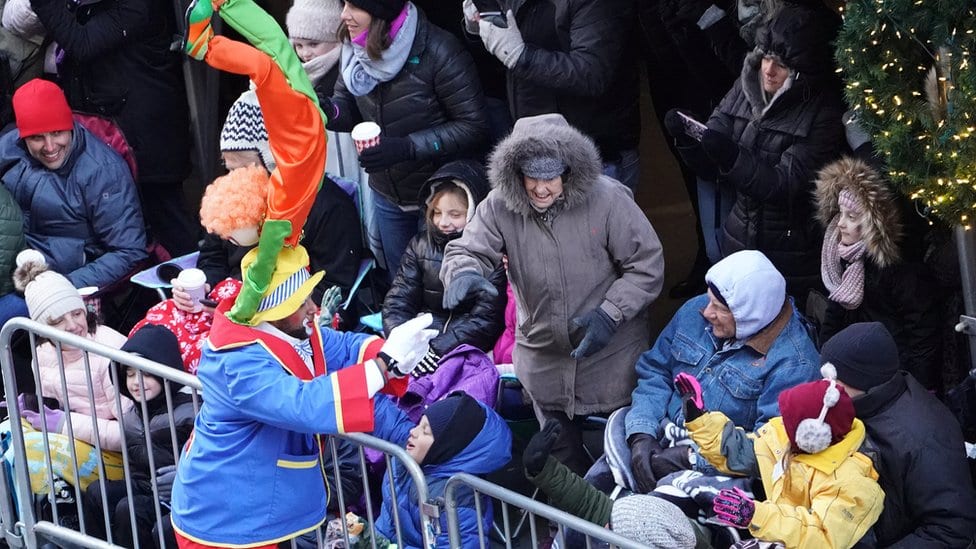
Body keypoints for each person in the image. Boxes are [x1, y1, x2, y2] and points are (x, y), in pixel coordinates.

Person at [440, 113, 665, 476]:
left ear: (569, 171)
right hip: (544, 360)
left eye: (551, 176)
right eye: (532, 176)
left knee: (617, 467)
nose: (542, 188)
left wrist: (610, 313)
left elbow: (647, 264)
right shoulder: (499, 205)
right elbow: (467, 250)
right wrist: (463, 272)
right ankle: (566, 534)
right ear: (516, 173)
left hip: (611, 359)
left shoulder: (609, 199)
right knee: (561, 465)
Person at [663, 2, 846, 301]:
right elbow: (712, 152)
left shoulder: (825, 113)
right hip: (740, 244)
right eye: (765, 57)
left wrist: (732, 158)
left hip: (793, 256)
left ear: (807, 70)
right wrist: (687, 139)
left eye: (782, 65)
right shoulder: (748, 82)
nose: (768, 71)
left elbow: (785, 184)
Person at [617, 250, 818, 494]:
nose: (707, 311)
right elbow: (656, 370)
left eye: (720, 308)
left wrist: (689, 459)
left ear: (750, 314)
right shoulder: (697, 309)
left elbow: (770, 449)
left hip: (719, 472)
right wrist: (641, 432)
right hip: (659, 431)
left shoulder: (795, 365)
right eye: (709, 299)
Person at [320, 0, 489, 281]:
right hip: (388, 196)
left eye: (354, 6)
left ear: (380, 12)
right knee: (401, 286)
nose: (343, 14)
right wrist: (329, 111)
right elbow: (346, 105)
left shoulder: (439, 51)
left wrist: (407, 147)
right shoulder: (354, 49)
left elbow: (474, 125)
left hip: (439, 199)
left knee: (441, 290)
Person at [29, 0, 196, 256]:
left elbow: (81, 43)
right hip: (118, 136)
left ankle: (204, 285)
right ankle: (150, 292)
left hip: (147, 141)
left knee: (169, 224)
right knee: (131, 234)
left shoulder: (139, 6)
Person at [680, 366, 885, 548]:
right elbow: (740, 452)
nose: (783, 424)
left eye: (790, 422)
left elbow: (823, 538)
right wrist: (699, 419)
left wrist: (757, 515)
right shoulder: (789, 439)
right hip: (776, 529)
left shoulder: (852, 483)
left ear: (812, 435)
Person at [462, 0, 643, 191]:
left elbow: (591, 73)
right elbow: (511, 43)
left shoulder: (599, 4)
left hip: (592, 156)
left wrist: (520, 56)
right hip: (535, 146)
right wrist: (482, 27)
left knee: (595, 220)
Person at [823, 322, 976, 548]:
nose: (824, 386)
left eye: (832, 378)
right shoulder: (860, 403)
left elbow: (951, 528)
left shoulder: (922, 438)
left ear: (861, 379)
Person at [0, 79, 147, 292]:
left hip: (61, 275)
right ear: (23, 137)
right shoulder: (10, 147)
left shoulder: (101, 172)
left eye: (57, 133)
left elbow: (130, 251)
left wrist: (64, 286)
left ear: (69, 125)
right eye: (37, 138)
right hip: (9, 258)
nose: (50, 147)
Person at [8, 249, 132, 494]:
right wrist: (34, 409)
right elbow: (52, 412)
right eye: (58, 321)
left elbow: (134, 433)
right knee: (7, 434)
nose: (74, 326)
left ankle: (62, 520)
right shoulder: (42, 354)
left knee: (34, 449)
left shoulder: (112, 349)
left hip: (118, 455)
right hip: (75, 441)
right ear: (43, 328)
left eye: (77, 313)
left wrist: (64, 424)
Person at [814, 156, 942, 389]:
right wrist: (824, 366)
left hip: (892, 376)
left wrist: (916, 389)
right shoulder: (842, 255)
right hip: (855, 368)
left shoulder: (903, 271)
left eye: (851, 217)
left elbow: (922, 337)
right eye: (840, 213)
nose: (840, 223)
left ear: (876, 223)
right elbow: (835, 313)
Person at [382, 159, 506, 375]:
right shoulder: (419, 245)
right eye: (437, 213)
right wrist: (404, 343)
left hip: (466, 347)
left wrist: (438, 349)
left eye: (455, 214)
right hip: (423, 338)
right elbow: (398, 301)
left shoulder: (491, 254)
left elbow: (485, 319)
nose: (443, 222)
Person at [82, 324, 195, 548]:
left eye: (145, 373)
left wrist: (183, 475)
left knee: (130, 509)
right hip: (148, 487)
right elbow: (134, 471)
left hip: (184, 491)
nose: (136, 382)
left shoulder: (190, 411)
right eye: (130, 374)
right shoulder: (130, 418)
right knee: (98, 492)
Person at [367, 391, 512, 548]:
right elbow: (385, 416)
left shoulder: (459, 500)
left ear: (445, 447)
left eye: (425, 431)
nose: (413, 432)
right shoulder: (408, 455)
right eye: (418, 425)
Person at [521, 422, 698, 548]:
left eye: (613, 533)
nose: (604, 532)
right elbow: (593, 506)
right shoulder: (642, 526)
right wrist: (543, 469)